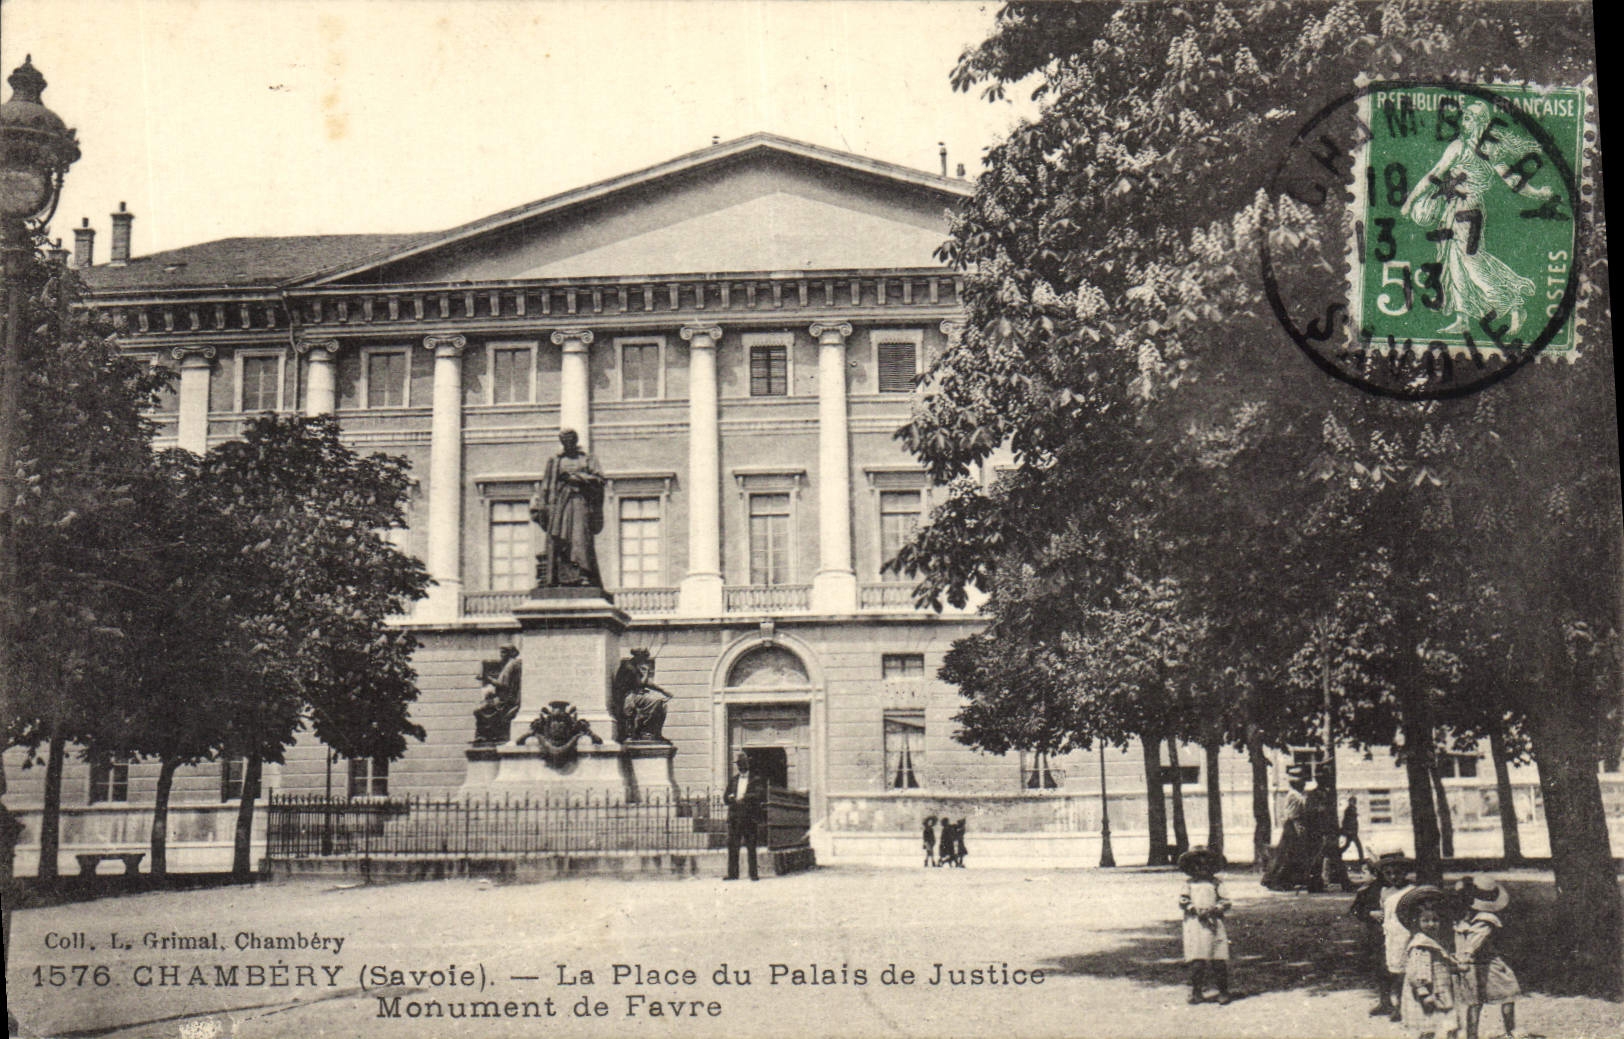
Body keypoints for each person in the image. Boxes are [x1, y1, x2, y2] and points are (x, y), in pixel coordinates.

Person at [1401, 100, 1547, 338]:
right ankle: (1462, 319)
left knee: (1471, 261)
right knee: (1453, 262)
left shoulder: (1472, 148)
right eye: (1464, 116)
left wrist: (1409, 203)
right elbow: (1435, 175)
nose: (1463, 121)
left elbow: (1511, 179)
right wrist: (1538, 193)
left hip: (1468, 211)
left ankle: (1512, 302)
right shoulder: (1472, 147)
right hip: (1455, 209)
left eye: (1469, 117)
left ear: (1480, 122)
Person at [531, 428, 605, 587]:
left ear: (575, 441)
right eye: (564, 441)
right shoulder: (555, 461)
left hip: (579, 502)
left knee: (580, 538)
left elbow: (599, 480)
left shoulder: (587, 459)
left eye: (571, 440)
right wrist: (541, 506)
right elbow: (546, 486)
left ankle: (584, 573)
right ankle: (561, 577)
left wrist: (577, 478)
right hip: (560, 505)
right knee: (560, 539)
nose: (568, 443)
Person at [1454, 877, 1520, 1039]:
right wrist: (1466, 955)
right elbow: (1476, 939)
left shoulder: (1469, 919)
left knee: (1479, 1001)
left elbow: (1474, 939)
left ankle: (1476, 1035)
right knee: (1506, 994)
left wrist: (1463, 956)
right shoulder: (1484, 919)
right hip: (1483, 963)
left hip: (1472, 963)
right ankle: (1509, 1031)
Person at [1398, 886, 1460, 1039]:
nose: (1431, 924)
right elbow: (1417, 971)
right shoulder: (1422, 945)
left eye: (1435, 920)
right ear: (1416, 922)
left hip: (1441, 989)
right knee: (1429, 1027)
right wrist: (1423, 993)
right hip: (1428, 993)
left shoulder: (1435, 941)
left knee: (1448, 1025)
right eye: (1425, 921)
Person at [1178, 846, 1233, 1005]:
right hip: (1195, 924)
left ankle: (1223, 991)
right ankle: (1197, 992)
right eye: (1197, 865)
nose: (1201, 869)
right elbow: (1183, 900)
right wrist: (1194, 909)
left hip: (1214, 923)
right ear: (1191, 868)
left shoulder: (1216, 883)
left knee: (1218, 958)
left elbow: (1226, 901)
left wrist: (1215, 909)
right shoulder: (1189, 884)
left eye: (1205, 865)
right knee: (1197, 959)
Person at [1262, 764, 1315, 890]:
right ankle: (1274, 880)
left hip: (1294, 826)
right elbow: (1292, 814)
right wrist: (1299, 828)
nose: (1303, 784)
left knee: (1290, 855)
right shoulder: (1294, 795)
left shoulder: (1296, 794)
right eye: (1301, 782)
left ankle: (1286, 880)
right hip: (1292, 827)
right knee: (1286, 855)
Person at [1381, 853, 1419, 1024]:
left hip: (1406, 934)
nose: (1393, 877)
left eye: (1397, 873)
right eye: (1388, 873)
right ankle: (1397, 1004)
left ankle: (1404, 1006)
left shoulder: (1411, 891)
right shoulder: (1385, 891)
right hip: (1391, 935)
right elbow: (1386, 913)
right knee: (1394, 971)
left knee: (1406, 972)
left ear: (1405, 872)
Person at [724, 751, 766, 881]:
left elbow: (759, 794)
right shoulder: (733, 780)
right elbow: (725, 797)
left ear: (748, 765)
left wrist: (744, 797)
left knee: (751, 846)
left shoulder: (756, 780)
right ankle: (733, 874)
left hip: (749, 817)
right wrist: (731, 798)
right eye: (739, 765)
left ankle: (753, 874)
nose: (741, 767)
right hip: (735, 818)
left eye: (743, 764)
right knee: (733, 846)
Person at [472, 642, 522, 744]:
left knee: (478, 710)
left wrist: (487, 678)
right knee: (484, 706)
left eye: (503, 652)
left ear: (510, 653)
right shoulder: (512, 664)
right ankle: (488, 735)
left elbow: (503, 685)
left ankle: (486, 736)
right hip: (505, 697)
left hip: (505, 700)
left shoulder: (511, 665)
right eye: (501, 653)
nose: (501, 655)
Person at [619, 651, 672, 742]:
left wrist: (663, 691)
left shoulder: (635, 666)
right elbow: (641, 683)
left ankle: (655, 732)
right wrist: (647, 672)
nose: (645, 661)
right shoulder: (629, 667)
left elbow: (647, 683)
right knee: (656, 701)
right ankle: (646, 730)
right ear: (638, 657)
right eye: (644, 658)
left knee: (663, 705)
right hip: (629, 697)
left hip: (635, 695)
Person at [1340, 795, 1365, 864]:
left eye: (1353, 801)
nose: (1353, 803)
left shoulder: (1352, 809)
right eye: (1352, 801)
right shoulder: (1349, 810)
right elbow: (1347, 821)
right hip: (1351, 831)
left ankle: (1338, 854)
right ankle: (1361, 860)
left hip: (1352, 831)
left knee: (1347, 845)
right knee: (1358, 846)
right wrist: (1348, 830)